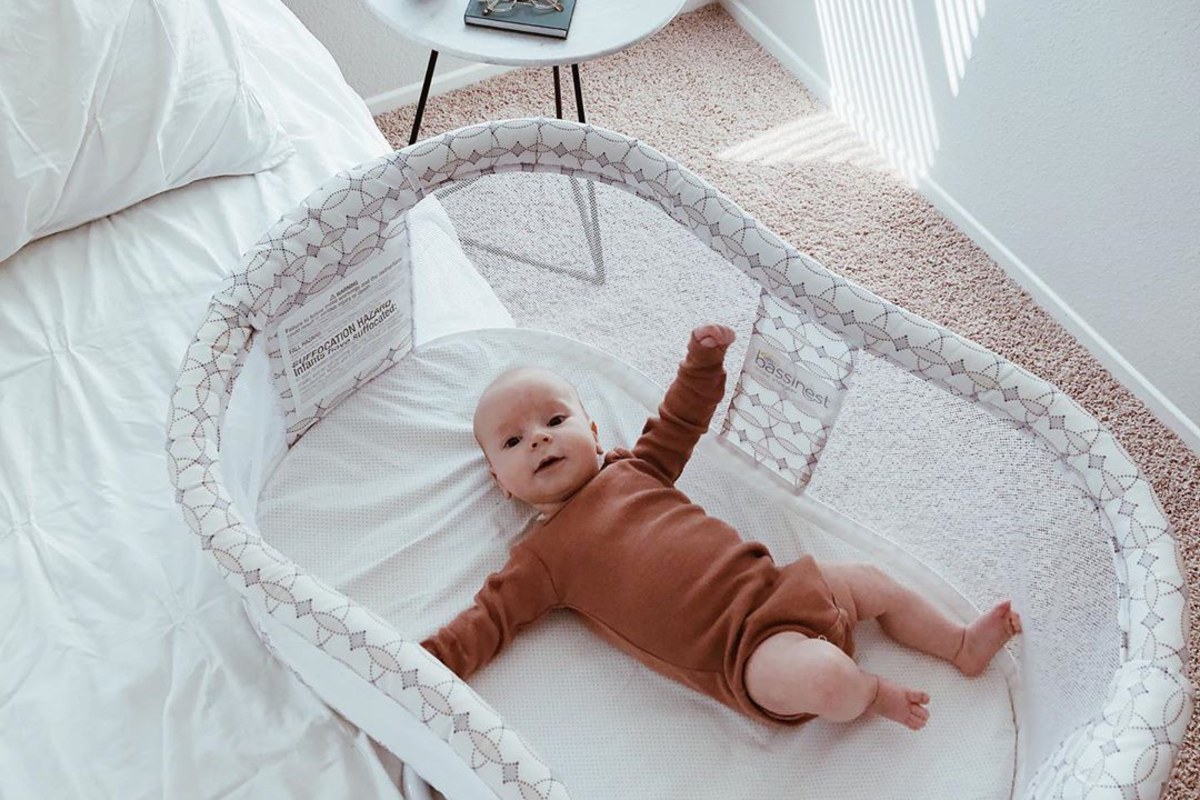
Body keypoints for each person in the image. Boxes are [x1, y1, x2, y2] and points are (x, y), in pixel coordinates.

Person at [421, 324, 1022, 729]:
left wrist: (703, 364)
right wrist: (417, 667)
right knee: (829, 679)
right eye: (513, 440)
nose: (540, 438)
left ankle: (958, 643)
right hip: (745, 653)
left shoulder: (637, 468)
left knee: (873, 581)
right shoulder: (541, 558)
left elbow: (679, 421)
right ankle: (871, 695)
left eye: (554, 419)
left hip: (784, 587)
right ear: (502, 482)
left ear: (596, 434)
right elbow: (486, 623)